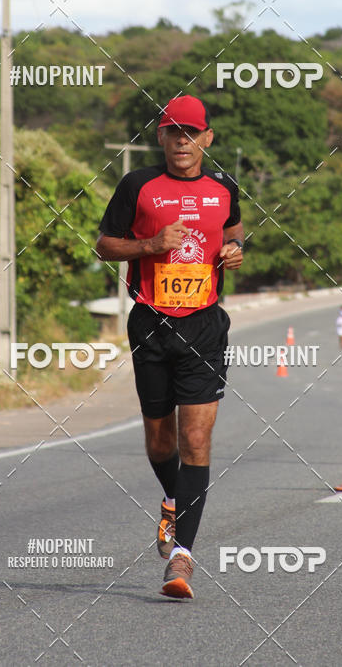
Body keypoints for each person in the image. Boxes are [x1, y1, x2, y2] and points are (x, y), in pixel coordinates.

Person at [95, 95, 244, 599]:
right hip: (151, 324)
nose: (182, 140)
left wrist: (234, 250)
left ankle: (182, 558)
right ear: (161, 136)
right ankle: (170, 499)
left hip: (204, 326)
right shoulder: (138, 184)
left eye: (191, 132)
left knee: (197, 440)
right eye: (173, 132)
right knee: (162, 441)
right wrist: (150, 247)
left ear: (207, 138)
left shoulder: (224, 187)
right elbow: (104, 244)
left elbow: (236, 233)